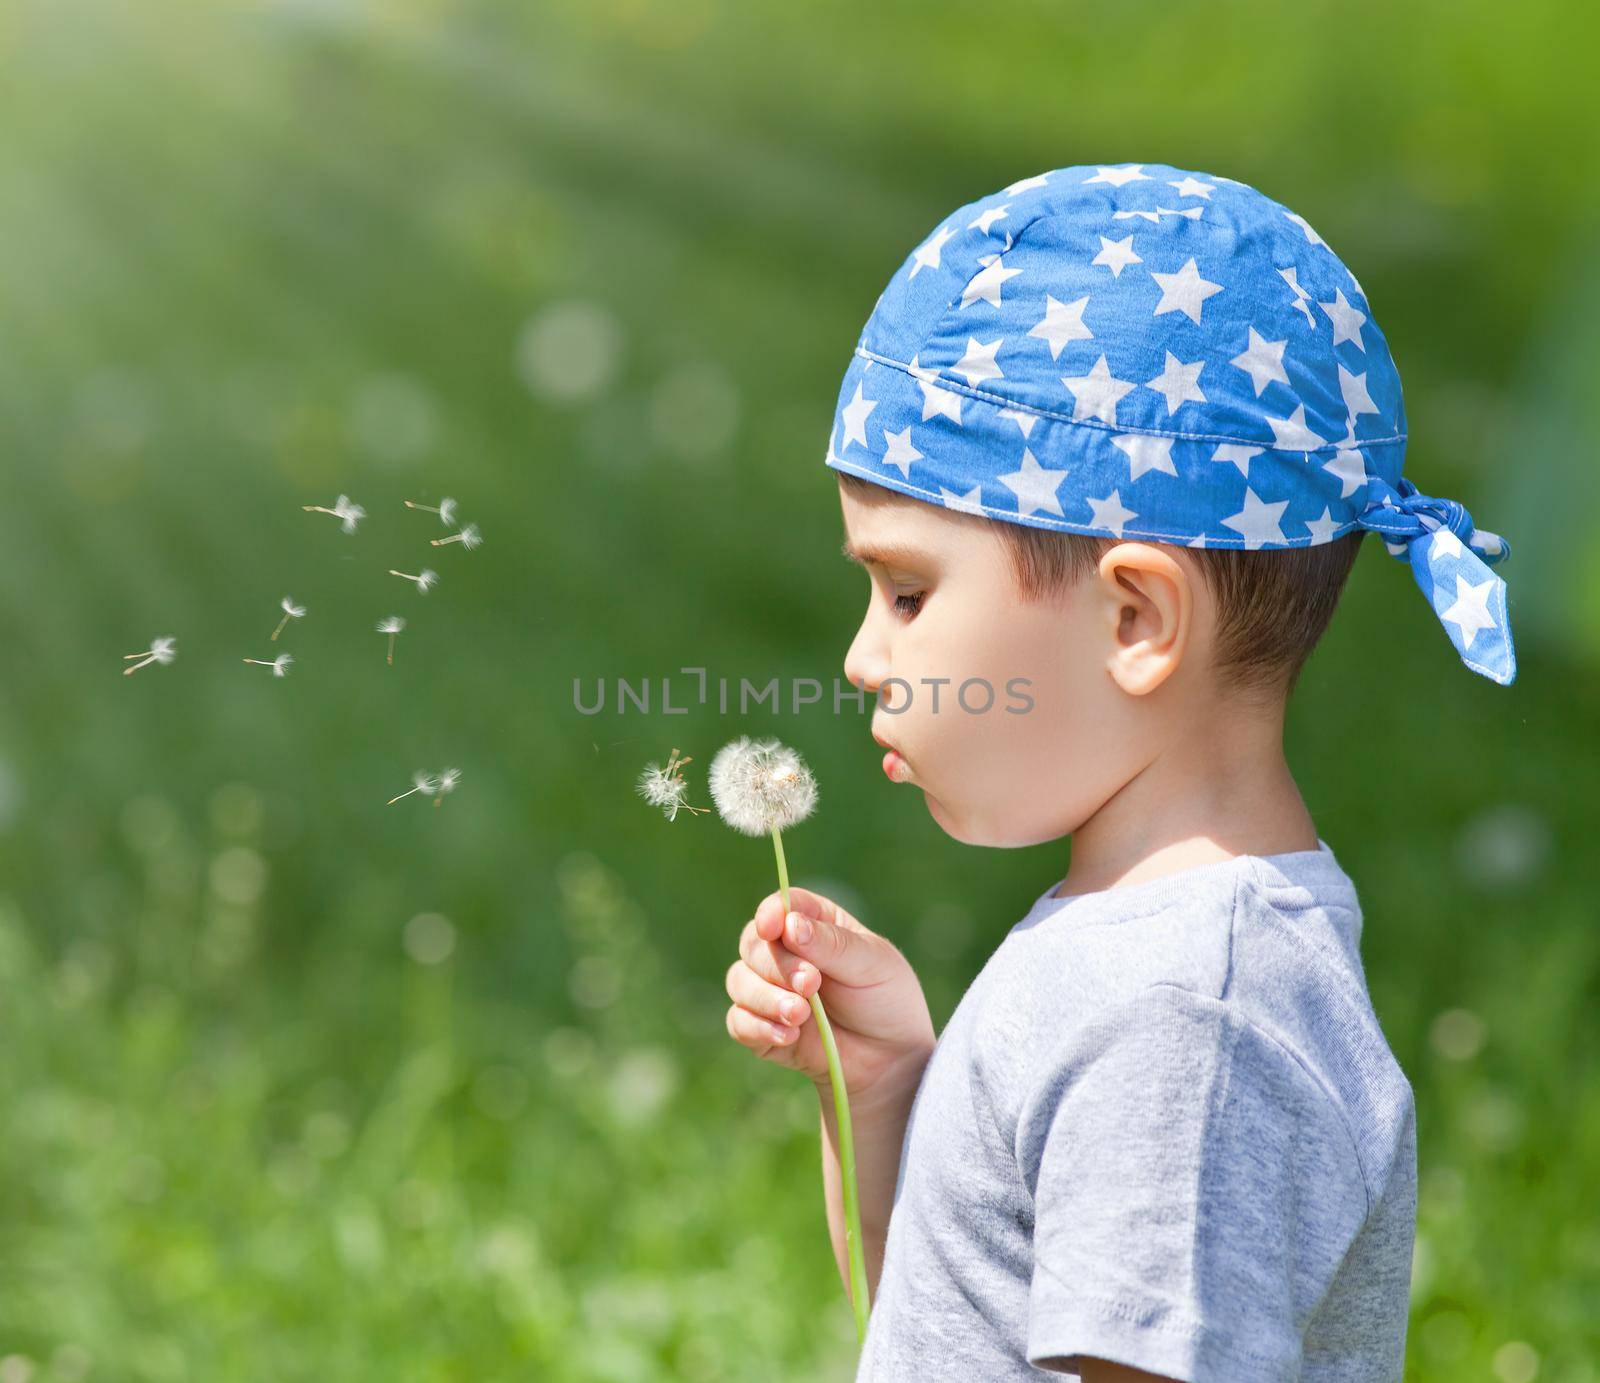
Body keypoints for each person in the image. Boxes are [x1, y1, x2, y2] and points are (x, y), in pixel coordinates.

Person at [724, 162, 1517, 1380]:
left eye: (908, 592)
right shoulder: (1134, 954)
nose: (861, 657)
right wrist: (883, 1089)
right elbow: (945, 1333)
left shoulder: (1187, 1023)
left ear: (1135, 621)